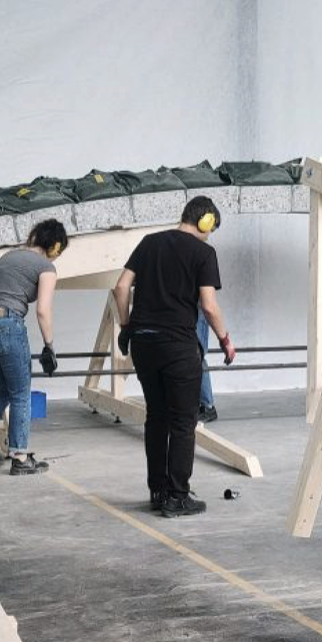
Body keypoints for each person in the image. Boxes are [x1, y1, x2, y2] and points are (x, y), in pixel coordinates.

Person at [113, 196, 237, 518]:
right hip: (178, 346)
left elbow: (121, 287)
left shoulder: (149, 243)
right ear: (205, 222)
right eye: (211, 229)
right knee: (183, 422)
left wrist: (126, 325)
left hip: (143, 344)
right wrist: (225, 340)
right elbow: (208, 306)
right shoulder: (204, 253)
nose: (210, 236)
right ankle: (178, 496)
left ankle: (158, 490)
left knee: (156, 417)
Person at [0, 219, 66, 475]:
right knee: (21, 391)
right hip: (6, 325)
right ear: (56, 248)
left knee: (4, 388)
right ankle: (20, 458)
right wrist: (49, 346)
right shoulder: (46, 268)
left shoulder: (10, 255)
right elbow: (43, 311)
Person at [196, 312, 217, 423]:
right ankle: (204, 405)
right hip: (188, 308)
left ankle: (208, 406)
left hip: (198, 308)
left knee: (197, 356)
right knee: (194, 357)